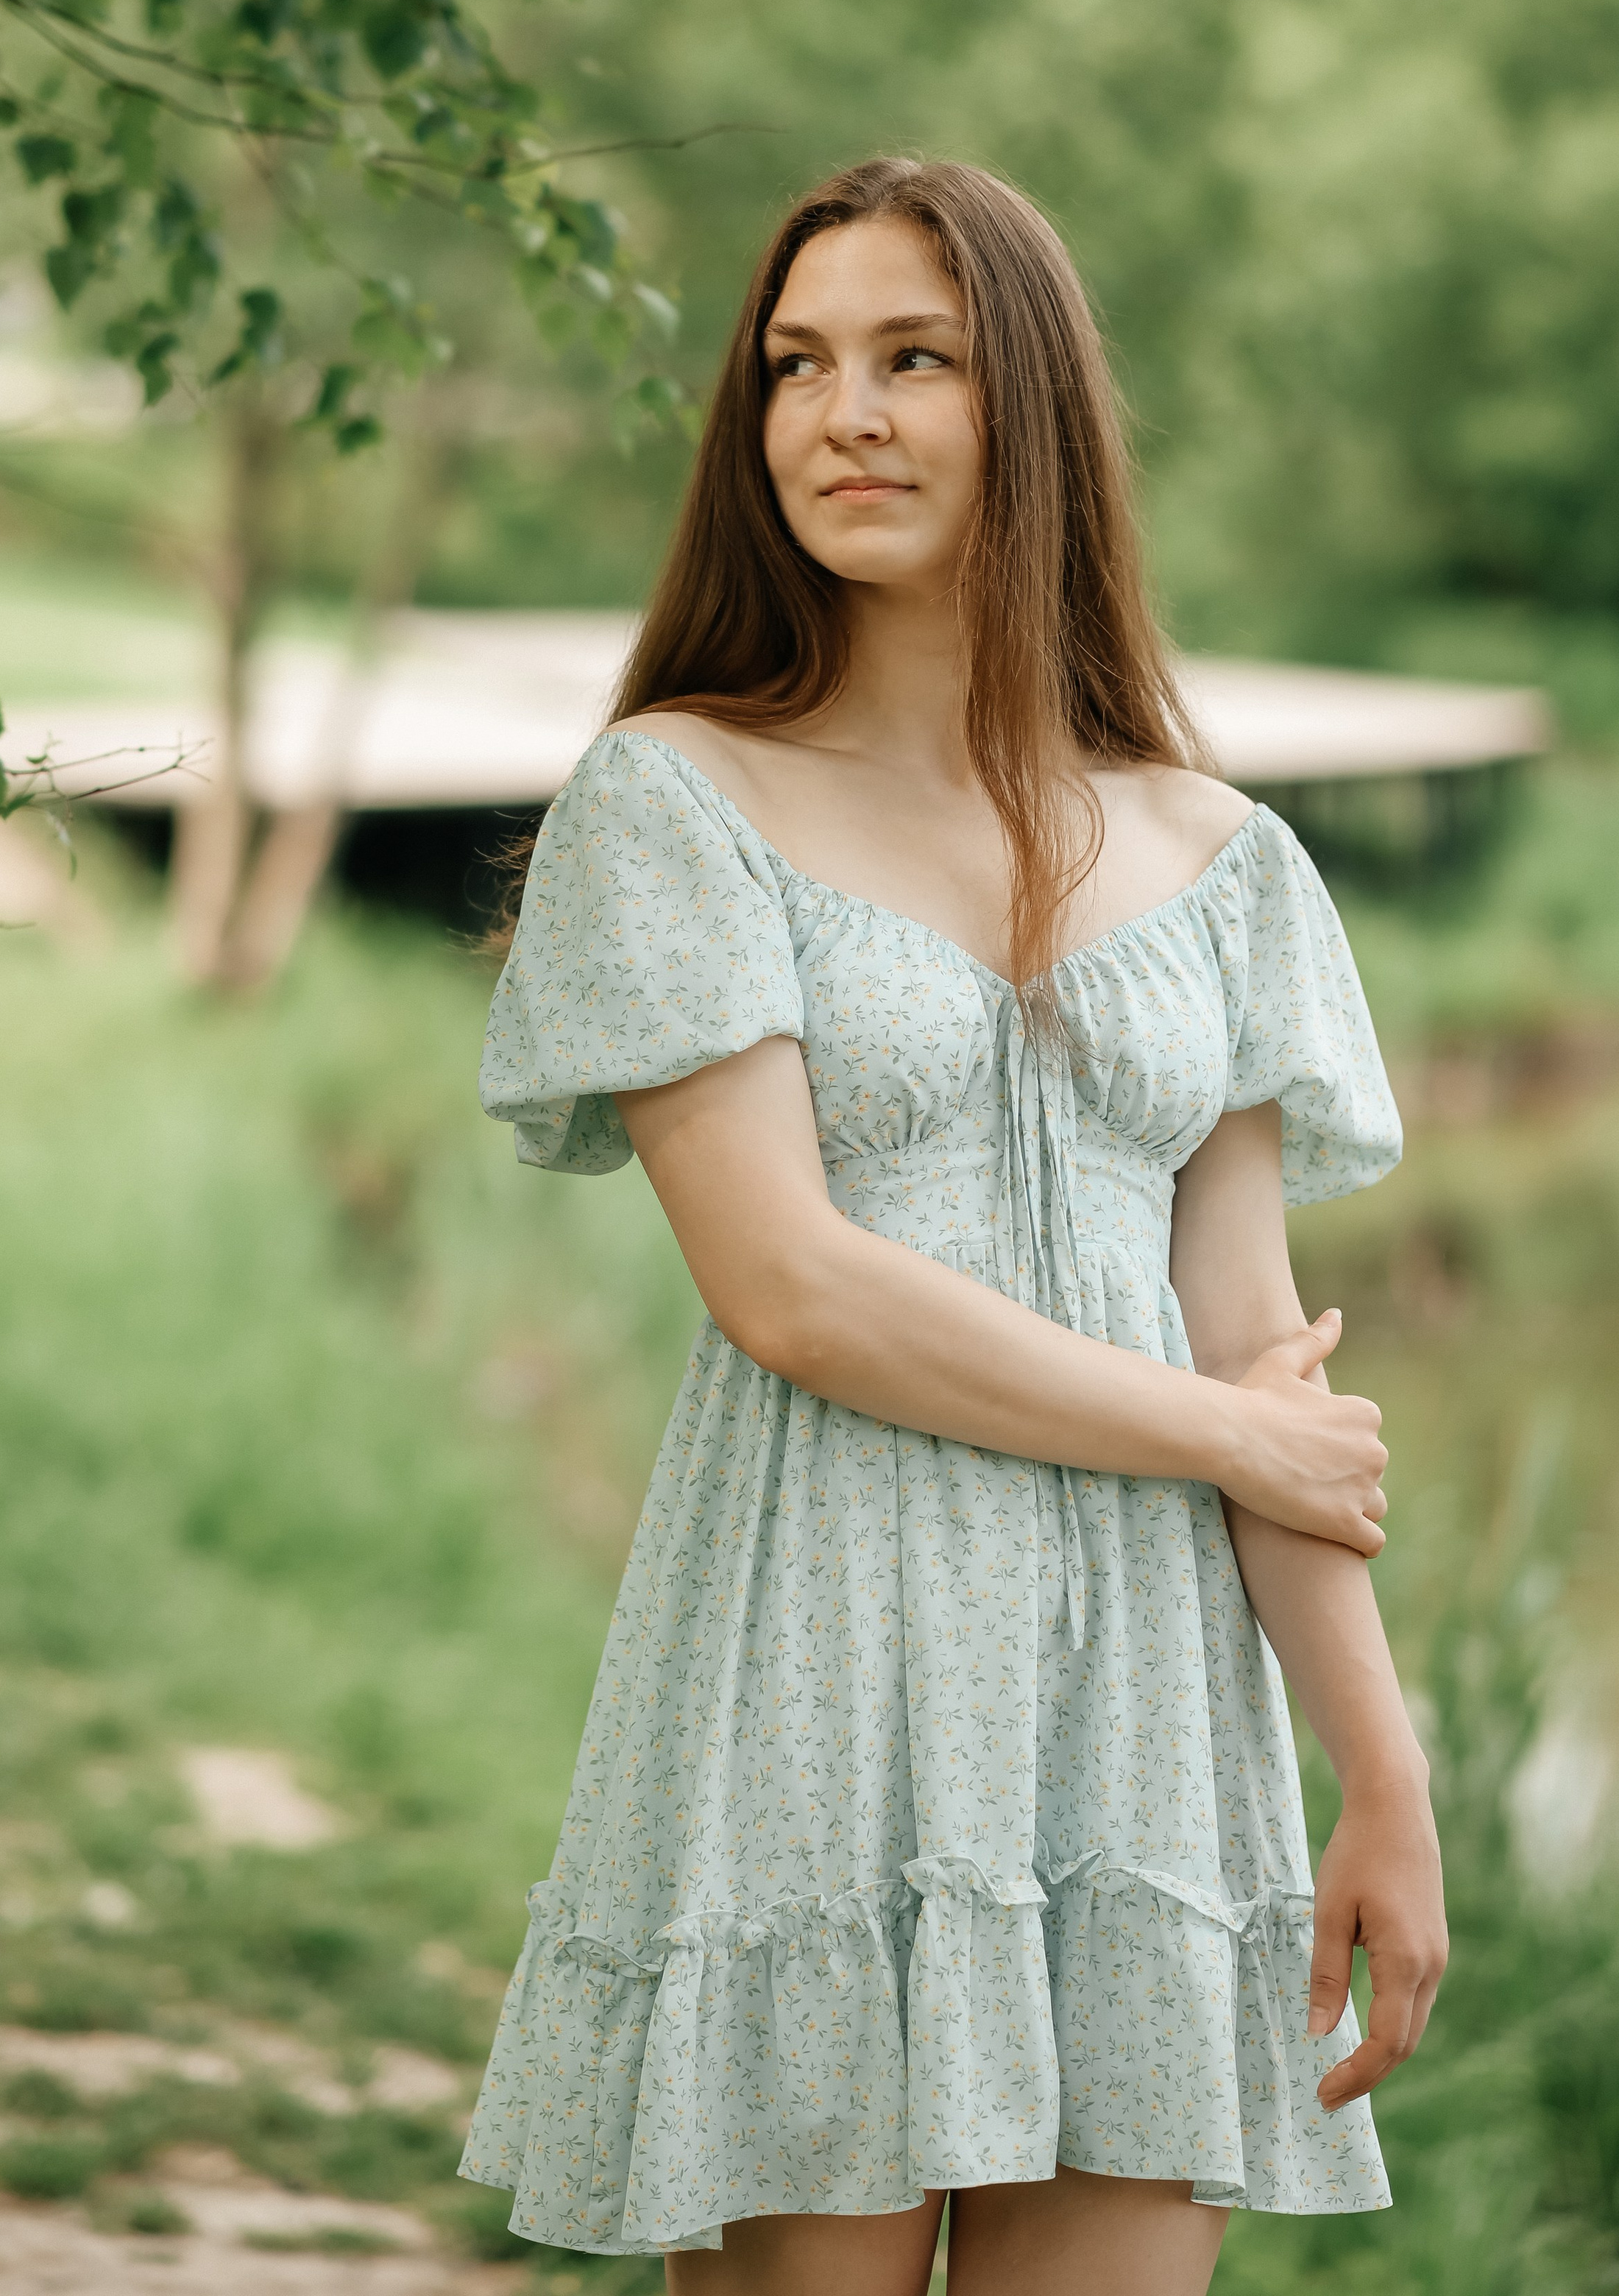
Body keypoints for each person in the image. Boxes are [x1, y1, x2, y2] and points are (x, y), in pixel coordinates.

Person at [458, 159, 1446, 2295]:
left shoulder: (1225, 859)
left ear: (1042, 416)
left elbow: (1258, 1345)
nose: (845, 414)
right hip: (823, 1661)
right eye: (798, 366)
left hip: (1143, 1717)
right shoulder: (678, 798)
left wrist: (1384, 1771)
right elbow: (794, 1292)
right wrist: (1223, 1435)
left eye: (918, 358)